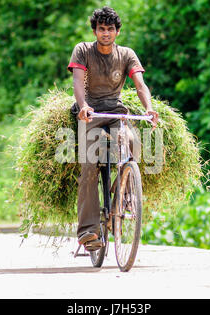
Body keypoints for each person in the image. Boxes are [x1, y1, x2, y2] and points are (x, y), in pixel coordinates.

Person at [67, 6, 159, 251]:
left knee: (132, 145)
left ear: (117, 31)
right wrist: (83, 106)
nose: (105, 33)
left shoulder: (127, 54)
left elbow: (140, 84)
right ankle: (88, 231)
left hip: (115, 112)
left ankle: (121, 196)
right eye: (101, 29)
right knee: (88, 165)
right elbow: (77, 81)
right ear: (95, 31)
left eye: (110, 29)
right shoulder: (83, 50)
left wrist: (148, 108)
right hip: (91, 113)